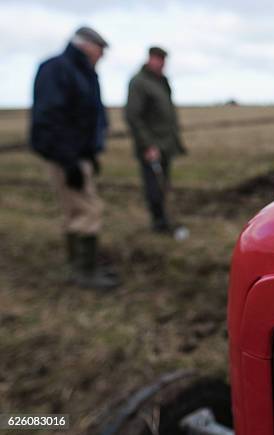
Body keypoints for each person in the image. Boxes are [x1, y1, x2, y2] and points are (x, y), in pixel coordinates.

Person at [30, 26, 120, 290]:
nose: (102, 56)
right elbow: (49, 119)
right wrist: (68, 161)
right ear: (86, 45)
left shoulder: (84, 73)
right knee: (87, 211)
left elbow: (88, 117)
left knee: (75, 211)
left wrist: (90, 154)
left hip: (78, 154)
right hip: (65, 156)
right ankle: (85, 272)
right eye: (100, 50)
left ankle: (79, 265)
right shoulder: (57, 69)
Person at [125, 46, 186, 233]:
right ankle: (159, 223)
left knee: (163, 185)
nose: (161, 63)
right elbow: (133, 116)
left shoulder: (160, 81)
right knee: (154, 186)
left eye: (163, 60)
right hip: (152, 147)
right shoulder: (139, 82)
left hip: (165, 144)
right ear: (150, 59)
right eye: (158, 59)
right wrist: (147, 145)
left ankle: (164, 219)